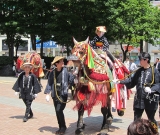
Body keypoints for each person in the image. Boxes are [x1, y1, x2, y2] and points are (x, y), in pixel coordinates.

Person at [113, 52, 160, 127]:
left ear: (146, 60)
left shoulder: (154, 71)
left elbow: (158, 84)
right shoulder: (139, 71)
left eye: (140, 59)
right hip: (139, 100)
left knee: (151, 119)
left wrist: (152, 89)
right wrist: (119, 81)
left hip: (150, 100)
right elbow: (131, 80)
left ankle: (155, 132)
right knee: (136, 120)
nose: (139, 61)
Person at [44, 56, 75, 135]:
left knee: (59, 110)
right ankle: (60, 127)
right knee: (57, 112)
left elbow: (71, 79)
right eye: (61, 61)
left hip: (63, 94)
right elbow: (49, 83)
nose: (63, 62)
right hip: (55, 94)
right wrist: (47, 93)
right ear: (57, 64)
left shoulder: (66, 70)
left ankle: (63, 127)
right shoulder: (52, 72)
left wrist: (74, 78)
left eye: (62, 61)